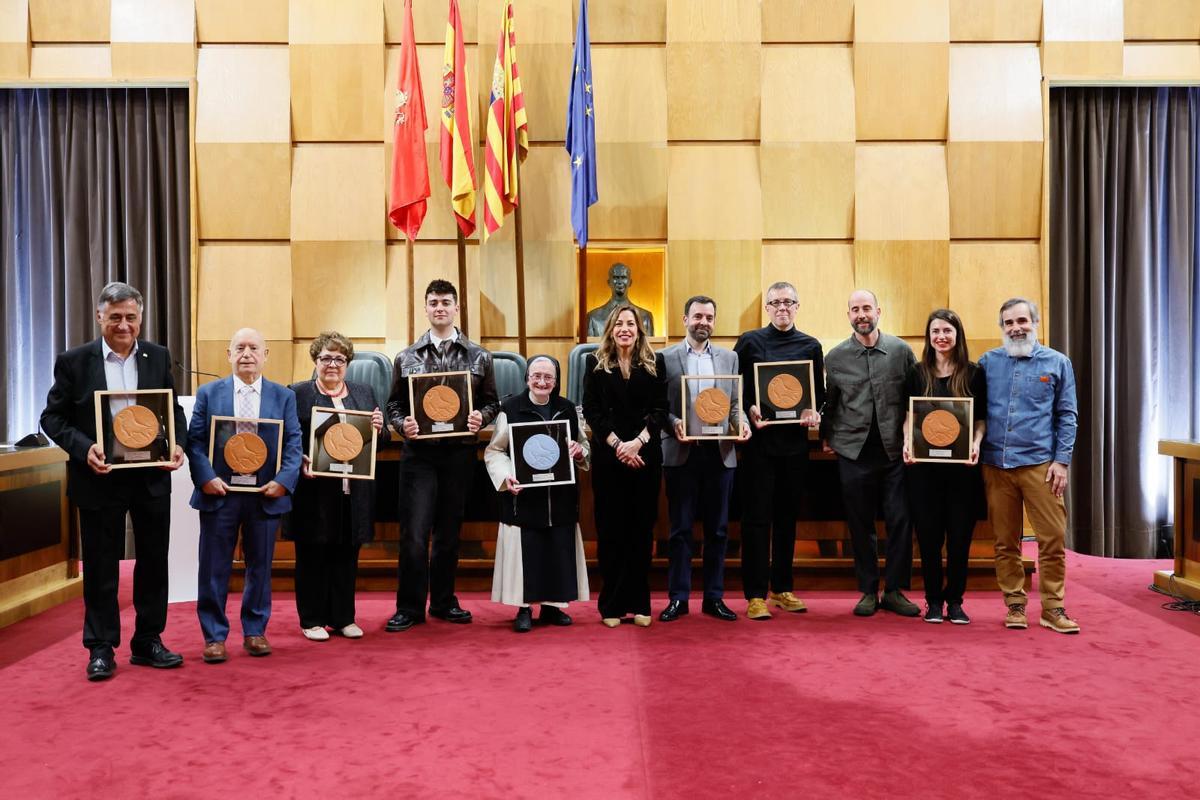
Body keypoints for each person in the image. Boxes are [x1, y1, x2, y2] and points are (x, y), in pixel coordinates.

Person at [40, 281, 188, 681]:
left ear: (141, 318)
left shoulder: (157, 356)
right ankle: (101, 648)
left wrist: (177, 444)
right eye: (116, 317)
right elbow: (52, 418)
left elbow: (172, 409)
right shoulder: (74, 361)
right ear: (99, 316)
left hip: (151, 477)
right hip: (99, 477)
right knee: (101, 565)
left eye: (131, 317)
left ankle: (148, 641)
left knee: (153, 562)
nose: (124, 325)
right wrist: (84, 447)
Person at [384, 279, 499, 632]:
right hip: (419, 456)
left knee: (449, 533)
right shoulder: (406, 357)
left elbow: (493, 402)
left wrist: (482, 418)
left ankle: (444, 601)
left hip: (459, 455)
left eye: (446, 302)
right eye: (433, 302)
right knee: (414, 534)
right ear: (425, 308)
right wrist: (403, 424)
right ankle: (409, 607)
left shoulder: (479, 356)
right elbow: (393, 405)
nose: (439, 308)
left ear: (456, 308)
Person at [186, 327, 302, 662]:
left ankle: (255, 631)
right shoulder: (209, 393)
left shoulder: (284, 396)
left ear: (266, 355)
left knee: (260, 566)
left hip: (265, 494)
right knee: (213, 566)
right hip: (219, 493)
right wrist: (206, 478)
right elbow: (195, 442)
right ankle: (214, 637)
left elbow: (293, 442)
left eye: (253, 348)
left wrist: (283, 481)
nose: (246, 354)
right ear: (229, 354)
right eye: (240, 348)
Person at [978, 298, 1079, 634]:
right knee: (1005, 542)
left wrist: (1062, 461)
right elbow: (974, 412)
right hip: (996, 465)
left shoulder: (1057, 363)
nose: (1016, 328)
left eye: (1022, 320)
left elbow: (1067, 415)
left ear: (1035, 323)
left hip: (1041, 466)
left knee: (1052, 540)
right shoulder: (987, 363)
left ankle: (1053, 608)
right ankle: (1015, 605)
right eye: (1008, 323)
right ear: (1002, 327)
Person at [821, 290, 920, 618]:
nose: (861, 314)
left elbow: (915, 398)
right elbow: (831, 402)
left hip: (895, 451)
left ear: (878, 311)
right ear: (848, 315)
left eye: (866, 308)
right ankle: (867, 589)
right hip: (853, 451)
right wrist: (826, 436)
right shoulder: (835, 357)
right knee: (860, 523)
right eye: (855, 309)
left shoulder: (901, 351)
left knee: (900, 520)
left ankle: (894, 591)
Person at [733, 282, 825, 620]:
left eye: (788, 302)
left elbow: (819, 394)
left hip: (795, 446)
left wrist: (815, 412)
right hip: (759, 446)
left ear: (797, 306)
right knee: (756, 520)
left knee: (787, 518)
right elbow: (735, 389)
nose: (782, 307)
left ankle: (782, 588)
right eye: (775, 302)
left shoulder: (811, 345)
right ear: (767, 308)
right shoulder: (749, 342)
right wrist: (748, 409)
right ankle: (755, 594)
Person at [284, 332, 383, 641]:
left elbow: (378, 443)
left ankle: (343, 618)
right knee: (312, 554)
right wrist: (299, 459)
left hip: (353, 490)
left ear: (348, 363)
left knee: (347, 554)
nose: (332, 364)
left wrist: (380, 429)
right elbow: (286, 440)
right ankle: (311, 619)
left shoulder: (364, 393)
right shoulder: (297, 394)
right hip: (313, 491)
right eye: (325, 358)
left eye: (339, 359)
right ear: (315, 361)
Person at [484, 356, 590, 633]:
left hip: (560, 497)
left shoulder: (567, 408)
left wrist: (580, 452)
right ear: (527, 378)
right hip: (524, 498)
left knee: (557, 548)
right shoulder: (510, 408)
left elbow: (583, 446)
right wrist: (505, 476)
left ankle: (553, 606)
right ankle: (524, 608)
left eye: (548, 377)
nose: (542, 382)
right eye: (536, 376)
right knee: (528, 551)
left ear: (556, 381)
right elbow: (495, 451)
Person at [658, 296, 747, 623]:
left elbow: (734, 404)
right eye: (697, 316)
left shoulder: (730, 358)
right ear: (685, 319)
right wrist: (674, 424)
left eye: (709, 317)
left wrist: (742, 425)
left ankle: (714, 597)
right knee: (680, 530)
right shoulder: (665, 358)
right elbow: (659, 407)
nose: (703, 322)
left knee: (718, 531)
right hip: (681, 452)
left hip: (719, 454)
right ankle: (678, 598)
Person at [582, 305, 669, 627]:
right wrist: (619, 445)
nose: (625, 328)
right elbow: (591, 410)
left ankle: (640, 604)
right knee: (611, 531)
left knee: (641, 531)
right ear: (610, 329)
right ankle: (612, 606)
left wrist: (638, 442)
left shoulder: (655, 362)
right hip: (610, 457)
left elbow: (661, 409)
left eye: (631, 323)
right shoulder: (594, 363)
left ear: (639, 329)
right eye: (619, 323)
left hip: (645, 457)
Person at [901, 309, 987, 625]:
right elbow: (909, 416)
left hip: (962, 472)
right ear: (929, 336)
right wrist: (907, 442)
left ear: (957, 335)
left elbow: (980, 419)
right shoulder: (916, 372)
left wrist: (976, 442)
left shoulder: (974, 373)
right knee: (928, 539)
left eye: (947, 331)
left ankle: (956, 601)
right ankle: (934, 601)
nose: (941, 337)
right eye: (935, 331)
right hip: (924, 472)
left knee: (960, 540)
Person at [586, 262, 655, 336]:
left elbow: (647, 343)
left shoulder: (645, 317)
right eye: (615, 278)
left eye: (623, 277)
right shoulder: (593, 317)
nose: (619, 282)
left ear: (630, 282)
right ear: (609, 282)